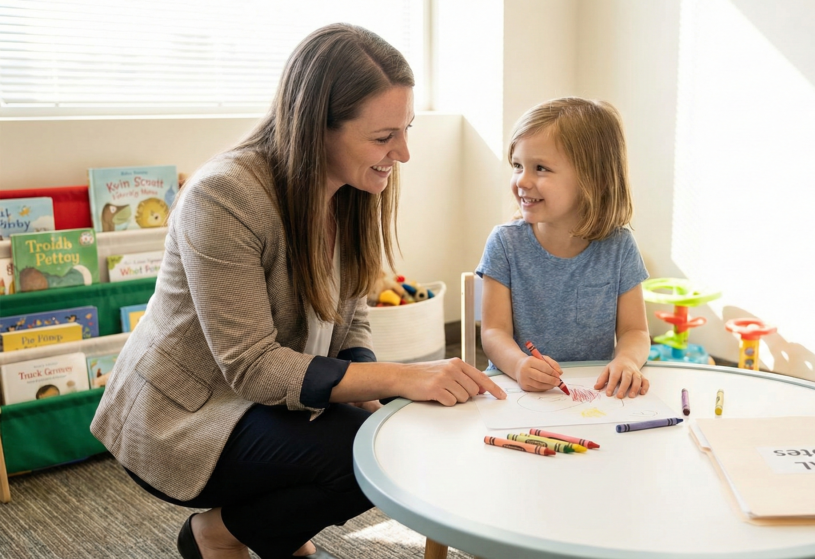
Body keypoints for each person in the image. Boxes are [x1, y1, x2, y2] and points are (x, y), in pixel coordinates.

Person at [90, 23, 505, 559]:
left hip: (264, 401)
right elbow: (253, 367)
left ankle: (259, 529)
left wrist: (373, 391)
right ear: (317, 130)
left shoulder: (355, 187)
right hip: (188, 414)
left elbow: (351, 313)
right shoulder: (224, 196)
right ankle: (215, 536)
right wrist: (404, 377)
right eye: (383, 137)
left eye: (406, 129)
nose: (402, 153)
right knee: (367, 456)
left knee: (386, 436)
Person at [477, 97, 651, 399]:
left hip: (592, 394)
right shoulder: (505, 244)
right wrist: (519, 365)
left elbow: (634, 331)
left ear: (591, 180)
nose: (522, 181)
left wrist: (627, 360)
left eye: (540, 168)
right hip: (518, 392)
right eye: (518, 165)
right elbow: (494, 333)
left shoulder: (619, 247)